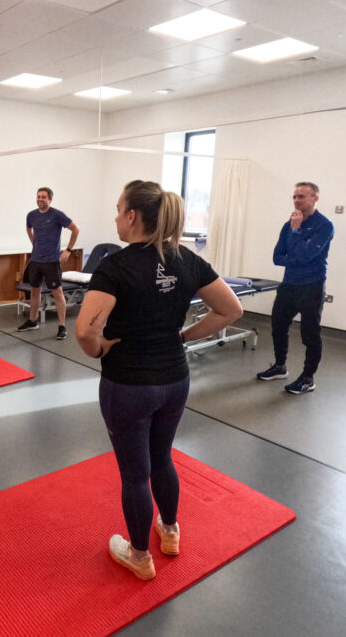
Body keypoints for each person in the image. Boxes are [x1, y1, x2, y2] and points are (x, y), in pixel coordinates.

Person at [76, 180, 242, 581]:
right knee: (163, 456)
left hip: (129, 385)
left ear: (132, 216)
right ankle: (169, 532)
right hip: (174, 380)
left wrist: (99, 350)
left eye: (119, 209)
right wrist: (183, 337)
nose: (116, 217)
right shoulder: (185, 258)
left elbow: (84, 332)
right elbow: (230, 310)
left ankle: (139, 556)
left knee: (135, 473)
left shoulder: (115, 266)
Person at [255, 181, 335, 395]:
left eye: (302, 196)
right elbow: (277, 257)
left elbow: (307, 255)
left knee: (310, 334)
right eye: (295, 196)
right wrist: (297, 254)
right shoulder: (287, 225)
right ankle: (280, 366)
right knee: (278, 326)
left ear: (315, 198)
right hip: (289, 285)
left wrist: (297, 233)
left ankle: (308, 378)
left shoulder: (324, 225)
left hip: (312, 286)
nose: (297, 200)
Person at [17, 186, 80, 341]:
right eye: (38, 196)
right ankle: (33, 321)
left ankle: (62, 326)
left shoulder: (57, 215)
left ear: (50, 199)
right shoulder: (31, 215)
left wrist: (68, 250)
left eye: (43, 197)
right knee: (34, 291)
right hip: (36, 260)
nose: (40, 199)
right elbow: (28, 228)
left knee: (57, 292)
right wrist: (35, 243)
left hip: (52, 261)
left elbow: (75, 229)